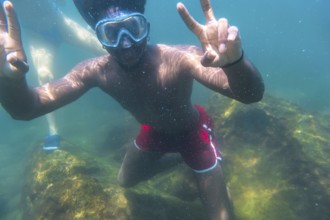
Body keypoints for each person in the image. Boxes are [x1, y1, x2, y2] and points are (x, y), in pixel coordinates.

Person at [0, 0, 264, 219]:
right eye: (111, 33)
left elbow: (250, 95)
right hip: (154, 130)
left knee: (221, 216)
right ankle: (183, 159)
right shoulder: (95, 72)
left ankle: (205, 159)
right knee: (125, 180)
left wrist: (235, 62)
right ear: (99, 39)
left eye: (132, 28)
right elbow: (28, 109)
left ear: (146, 28)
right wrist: (9, 81)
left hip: (193, 131)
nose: (126, 43)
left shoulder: (178, 57)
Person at [6, 0, 105, 150]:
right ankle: (53, 131)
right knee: (44, 75)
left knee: (104, 49)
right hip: (37, 35)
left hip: (61, 23)